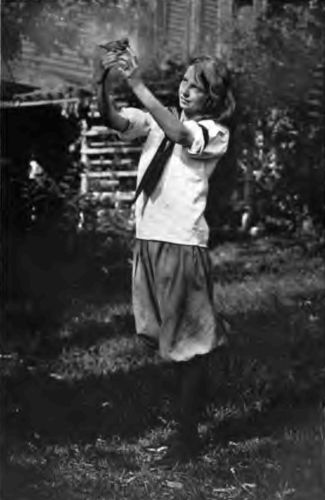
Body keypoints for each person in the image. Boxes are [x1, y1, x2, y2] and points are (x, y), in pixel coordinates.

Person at [95, 42, 236, 464]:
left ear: (211, 98)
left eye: (196, 87)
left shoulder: (213, 132)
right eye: (183, 84)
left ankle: (186, 438)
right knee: (166, 338)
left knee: (186, 345)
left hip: (181, 244)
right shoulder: (159, 121)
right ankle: (191, 405)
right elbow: (114, 118)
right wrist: (104, 80)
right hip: (149, 241)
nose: (185, 91)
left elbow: (178, 133)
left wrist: (136, 81)